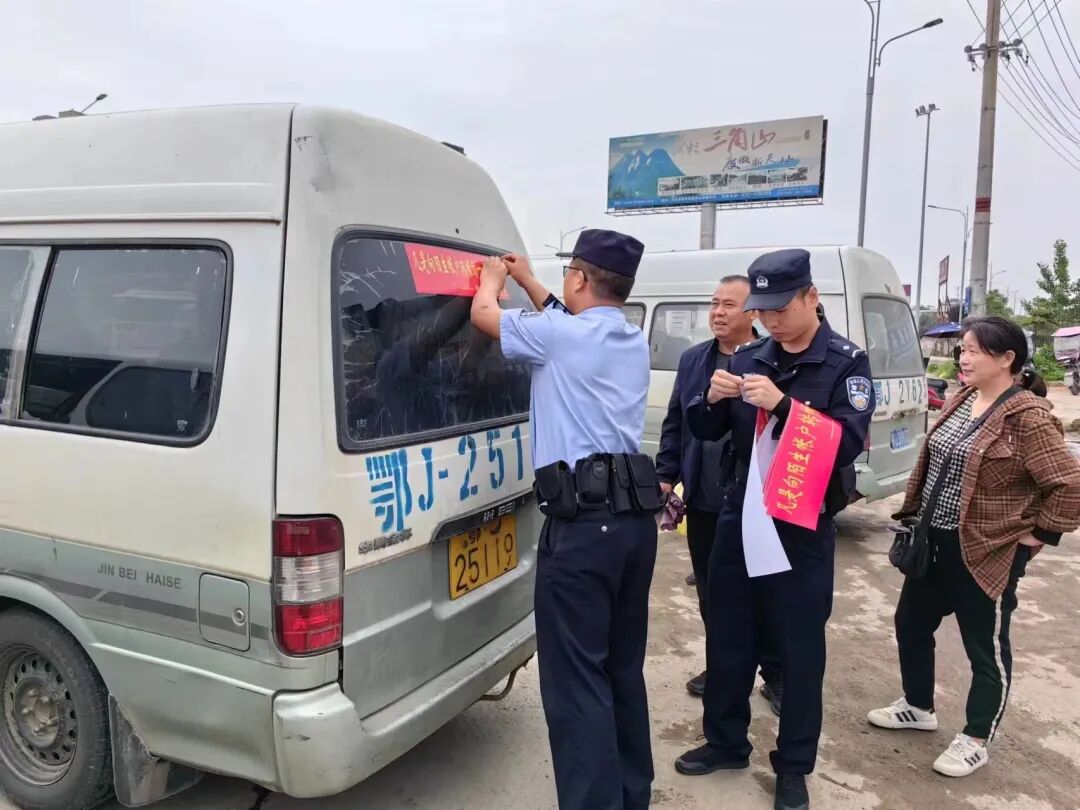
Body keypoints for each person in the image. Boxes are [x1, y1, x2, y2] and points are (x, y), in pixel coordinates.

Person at [674, 249, 874, 810]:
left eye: (781, 309)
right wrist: (709, 399)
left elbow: (847, 442)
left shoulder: (845, 363)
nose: (770, 320)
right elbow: (706, 429)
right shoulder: (749, 357)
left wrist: (784, 406)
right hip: (742, 514)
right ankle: (725, 741)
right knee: (729, 634)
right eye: (762, 311)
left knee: (798, 649)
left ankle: (793, 766)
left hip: (801, 523)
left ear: (811, 297)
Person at [470, 229, 659, 810]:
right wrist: (530, 280)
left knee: (576, 683)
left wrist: (492, 281)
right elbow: (562, 317)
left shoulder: (557, 337)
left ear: (578, 277)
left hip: (582, 534)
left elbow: (483, 317)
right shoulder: (629, 338)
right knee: (621, 668)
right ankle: (631, 795)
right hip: (633, 528)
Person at [868, 316, 1080, 777]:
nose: (962, 359)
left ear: (1007, 359)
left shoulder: (1028, 418)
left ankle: (977, 737)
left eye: (973, 351)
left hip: (986, 550)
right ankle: (918, 707)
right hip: (934, 543)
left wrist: (1040, 535)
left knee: (984, 648)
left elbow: (1069, 484)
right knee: (911, 624)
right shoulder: (963, 399)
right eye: (961, 349)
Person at [656, 276, 783, 712]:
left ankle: (775, 673)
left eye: (729, 304)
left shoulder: (772, 358)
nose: (718, 312)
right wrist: (666, 474)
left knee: (764, 591)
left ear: (753, 312)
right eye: (714, 303)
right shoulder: (694, 359)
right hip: (705, 496)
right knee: (711, 591)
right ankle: (722, 666)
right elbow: (676, 420)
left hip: (757, 499)